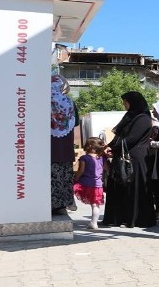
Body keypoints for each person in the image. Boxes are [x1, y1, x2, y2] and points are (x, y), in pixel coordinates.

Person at [102, 91, 156, 228]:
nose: (124, 104)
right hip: (122, 156)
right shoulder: (130, 117)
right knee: (121, 188)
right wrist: (109, 147)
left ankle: (137, 218)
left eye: (126, 101)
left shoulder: (143, 118)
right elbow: (119, 137)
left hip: (136, 159)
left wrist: (113, 149)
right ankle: (121, 218)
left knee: (135, 188)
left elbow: (132, 138)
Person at [50, 75, 78, 215]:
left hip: (47, 149)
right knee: (62, 177)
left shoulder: (41, 101)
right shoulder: (70, 103)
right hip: (65, 148)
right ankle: (61, 206)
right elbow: (76, 123)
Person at [73, 137, 109, 229]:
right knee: (95, 205)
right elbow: (107, 169)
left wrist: (75, 178)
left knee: (72, 189)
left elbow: (81, 171)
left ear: (88, 146)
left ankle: (70, 205)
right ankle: (94, 222)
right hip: (98, 185)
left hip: (85, 184)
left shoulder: (84, 158)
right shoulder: (102, 158)